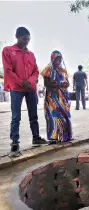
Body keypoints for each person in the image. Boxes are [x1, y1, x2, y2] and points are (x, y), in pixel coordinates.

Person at [2, 27, 47, 157]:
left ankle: (36, 137)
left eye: (28, 39)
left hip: (30, 88)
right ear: (17, 36)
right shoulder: (8, 51)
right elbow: (8, 71)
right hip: (16, 89)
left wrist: (30, 81)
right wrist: (22, 82)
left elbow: (36, 71)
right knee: (16, 116)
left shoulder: (31, 54)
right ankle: (14, 143)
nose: (26, 41)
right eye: (24, 39)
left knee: (34, 115)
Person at [41, 50, 72, 143]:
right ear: (52, 58)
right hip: (52, 97)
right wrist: (59, 85)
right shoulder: (48, 69)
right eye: (57, 58)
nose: (58, 60)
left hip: (63, 97)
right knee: (53, 116)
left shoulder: (63, 70)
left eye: (60, 58)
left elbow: (68, 83)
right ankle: (53, 137)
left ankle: (65, 136)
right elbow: (46, 83)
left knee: (65, 115)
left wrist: (66, 84)